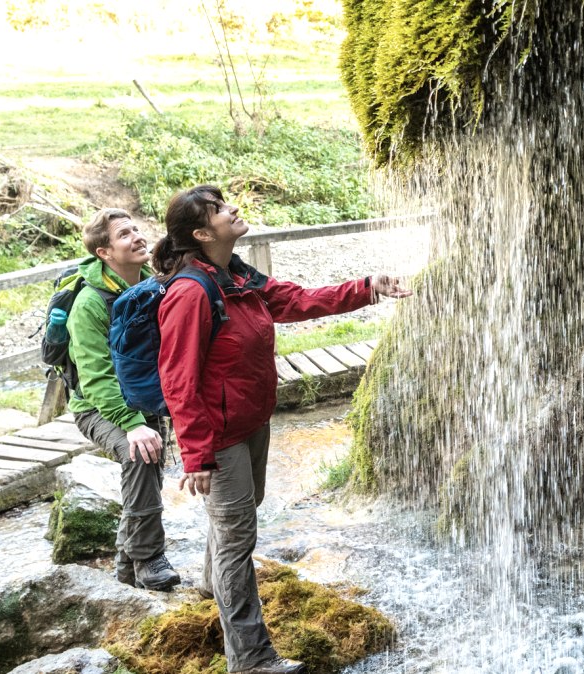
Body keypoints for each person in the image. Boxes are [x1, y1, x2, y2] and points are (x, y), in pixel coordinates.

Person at [151, 185, 411, 674]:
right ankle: (251, 659)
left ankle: (211, 584)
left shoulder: (235, 276)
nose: (233, 209)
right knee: (237, 542)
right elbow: (178, 380)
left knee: (242, 513)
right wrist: (197, 456)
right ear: (203, 233)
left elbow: (295, 300)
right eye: (220, 209)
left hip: (251, 420)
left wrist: (369, 286)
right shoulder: (190, 292)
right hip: (221, 435)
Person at [66, 207, 180, 590]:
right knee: (141, 454)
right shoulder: (90, 304)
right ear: (105, 253)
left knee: (145, 467)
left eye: (136, 229)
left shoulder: (152, 282)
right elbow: (96, 381)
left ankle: (125, 575)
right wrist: (132, 425)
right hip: (98, 407)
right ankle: (149, 559)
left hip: (142, 398)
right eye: (124, 235)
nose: (137, 237)